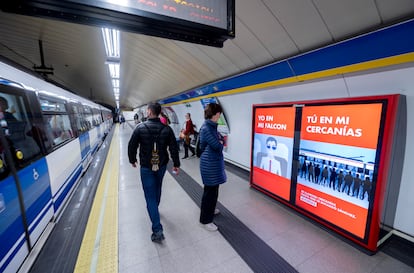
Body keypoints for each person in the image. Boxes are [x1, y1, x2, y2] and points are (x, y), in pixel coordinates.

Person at [128, 102, 180, 243]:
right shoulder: (167, 129)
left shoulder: (140, 128)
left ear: (150, 112)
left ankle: (157, 230)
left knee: (150, 196)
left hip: (146, 167)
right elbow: (174, 148)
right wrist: (176, 164)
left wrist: (132, 159)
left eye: (147, 110)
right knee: (158, 188)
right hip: (162, 165)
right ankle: (154, 211)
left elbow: (132, 145)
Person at [199, 103, 226, 232]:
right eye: (219, 114)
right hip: (209, 164)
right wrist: (221, 142)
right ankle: (205, 220)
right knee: (209, 192)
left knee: (213, 190)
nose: (219, 116)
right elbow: (218, 145)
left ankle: (211, 210)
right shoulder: (207, 128)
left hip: (212, 163)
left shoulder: (211, 127)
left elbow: (219, 142)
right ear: (215, 114)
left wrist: (221, 142)